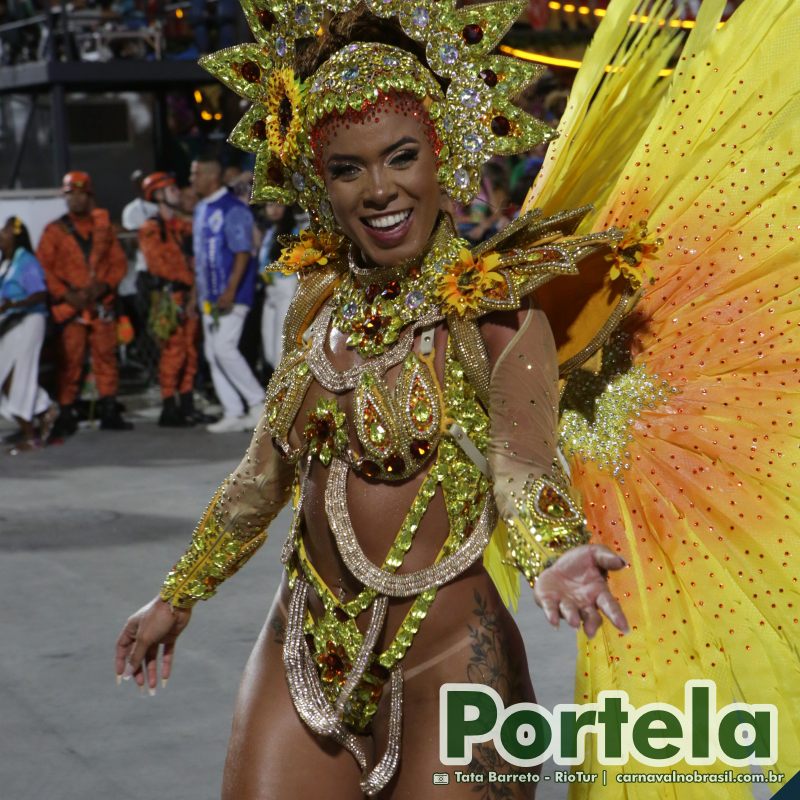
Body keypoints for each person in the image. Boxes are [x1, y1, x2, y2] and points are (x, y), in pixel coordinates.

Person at [116, 0, 800, 797]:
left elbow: (521, 460)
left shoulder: (496, 309)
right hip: (301, 640)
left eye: (401, 156)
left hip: (448, 653)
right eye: (347, 168)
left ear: (444, 153)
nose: (379, 190)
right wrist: (179, 594)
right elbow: (261, 478)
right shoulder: (317, 303)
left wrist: (557, 553)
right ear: (315, 178)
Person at [37, 171, 133, 432]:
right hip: (71, 308)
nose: (77, 199)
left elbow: (118, 263)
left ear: (89, 196)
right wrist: (69, 295)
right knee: (70, 360)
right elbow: (44, 269)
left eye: (82, 194)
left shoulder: (103, 228)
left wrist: (102, 286)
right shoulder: (53, 231)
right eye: (72, 194)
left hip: (100, 304)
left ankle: (109, 410)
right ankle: (66, 412)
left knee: (106, 357)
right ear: (65, 197)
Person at [190, 155, 264, 433]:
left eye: (195, 174)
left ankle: (258, 404)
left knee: (224, 348)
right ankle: (233, 409)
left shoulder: (233, 209)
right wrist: (194, 295)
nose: (191, 180)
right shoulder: (201, 209)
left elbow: (242, 252)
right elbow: (199, 257)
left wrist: (230, 290)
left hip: (232, 294)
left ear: (211, 177)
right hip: (208, 297)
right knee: (213, 352)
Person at [137, 171, 208, 427]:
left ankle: (186, 405)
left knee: (190, 351)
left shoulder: (181, 227)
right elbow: (159, 266)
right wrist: (188, 283)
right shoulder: (150, 230)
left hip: (188, 295)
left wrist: (192, 292)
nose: (177, 192)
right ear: (158, 195)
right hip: (169, 297)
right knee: (173, 352)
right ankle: (169, 407)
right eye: (171, 189)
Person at [0, 216, 56, 453]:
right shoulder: (6, 264)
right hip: (12, 324)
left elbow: (40, 294)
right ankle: (44, 409)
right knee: (3, 374)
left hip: (30, 321)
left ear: (15, 235)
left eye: (4, 231)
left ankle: (30, 435)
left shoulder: (26, 261)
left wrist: (13, 303)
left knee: (18, 375)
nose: (0, 235)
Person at [258, 202, 298, 378]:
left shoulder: (295, 232)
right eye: (269, 205)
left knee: (280, 351)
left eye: (279, 205)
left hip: (286, 289)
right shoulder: (269, 233)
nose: (273, 209)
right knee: (268, 350)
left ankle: (286, 399)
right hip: (270, 291)